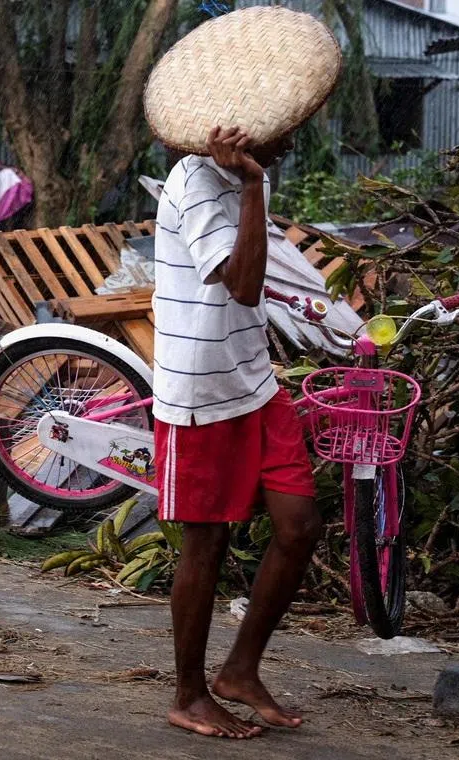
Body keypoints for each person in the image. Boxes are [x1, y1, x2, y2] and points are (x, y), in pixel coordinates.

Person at [152, 126, 322, 739]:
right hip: (198, 391)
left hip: (253, 379)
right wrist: (253, 186)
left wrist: (255, 182)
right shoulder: (195, 180)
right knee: (207, 545)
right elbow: (243, 282)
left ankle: (240, 669)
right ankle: (189, 693)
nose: (289, 146)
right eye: (281, 135)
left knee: (300, 525)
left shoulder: (253, 176)